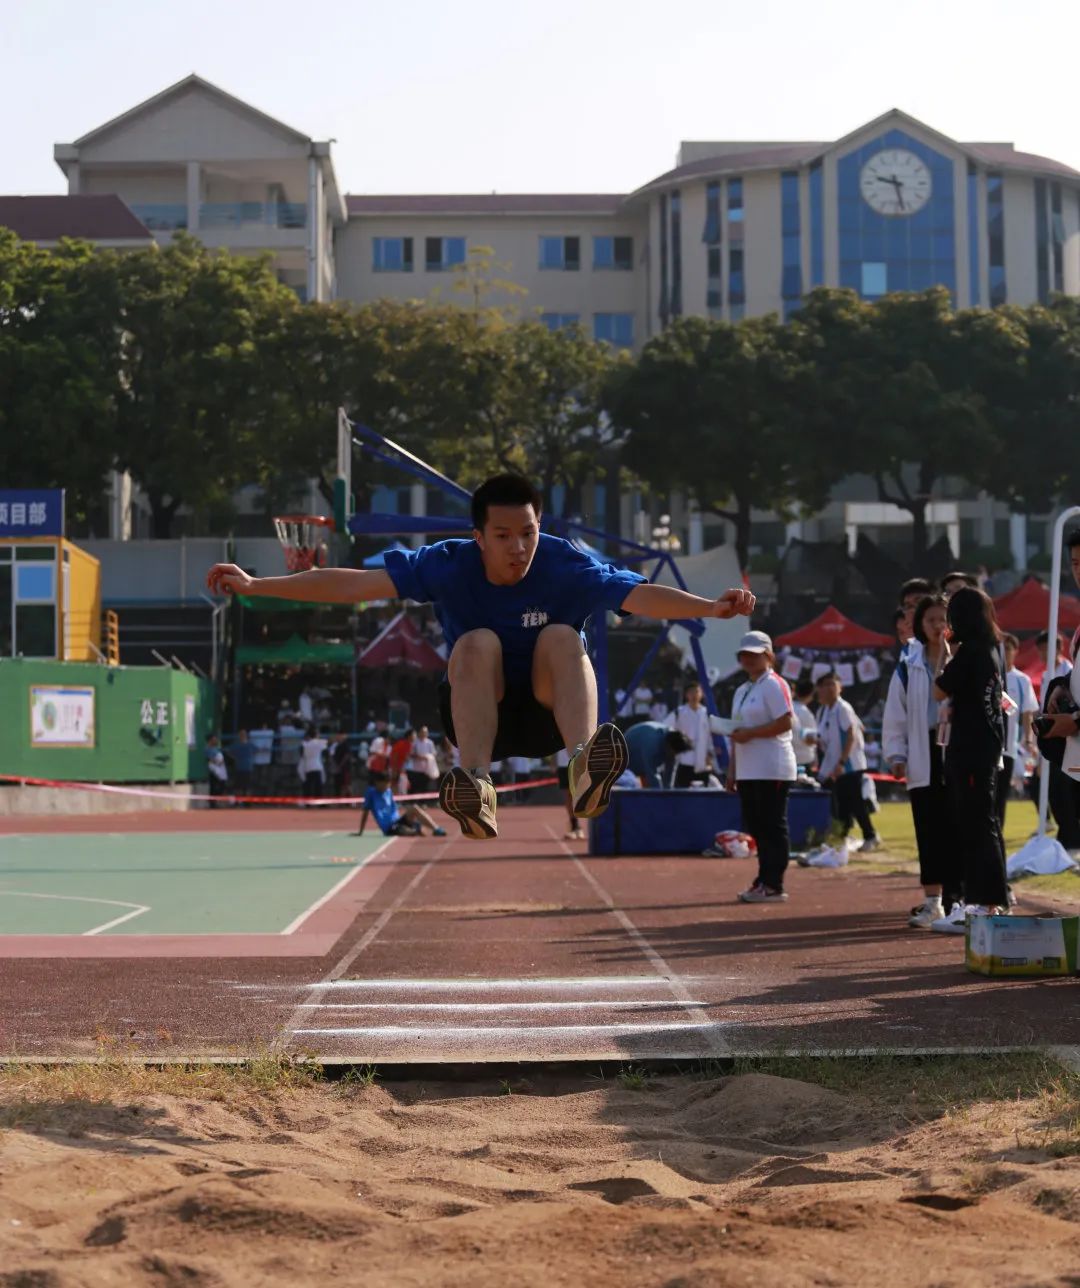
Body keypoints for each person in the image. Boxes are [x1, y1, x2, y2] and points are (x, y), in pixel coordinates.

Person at [206, 473, 754, 839]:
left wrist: (708, 606)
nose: (519, 547)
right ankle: (475, 785)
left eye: (528, 533)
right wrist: (257, 584)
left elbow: (638, 595)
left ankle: (584, 766)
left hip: (548, 712)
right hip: (478, 710)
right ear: (479, 537)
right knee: (476, 641)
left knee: (562, 637)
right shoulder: (448, 564)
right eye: (504, 535)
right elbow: (353, 584)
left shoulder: (567, 564)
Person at [931, 586, 1009, 932]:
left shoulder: (970, 653)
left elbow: (938, 689)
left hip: (971, 750)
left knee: (976, 826)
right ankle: (988, 901)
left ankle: (983, 904)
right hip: (985, 749)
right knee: (983, 824)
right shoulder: (992, 649)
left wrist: (944, 653)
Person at [883, 593, 960, 928]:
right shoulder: (909, 663)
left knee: (956, 824)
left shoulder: (962, 656)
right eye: (931, 620)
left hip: (956, 747)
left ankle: (957, 900)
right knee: (928, 826)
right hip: (922, 747)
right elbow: (895, 712)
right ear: (920, 624)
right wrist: (896, 754)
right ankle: (933, 902)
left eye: (943, 619)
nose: (937, 625)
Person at [727, 631, 797, 903]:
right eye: (744, 654)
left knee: (772, 826)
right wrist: (732, 771)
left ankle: (773, 883)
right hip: (748, 769)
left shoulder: (774, 684)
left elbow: (786, 722)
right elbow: (736, 732)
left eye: (754, 654)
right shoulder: (742, 690)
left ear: (768, 656)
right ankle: (764, 879)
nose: (748, 659)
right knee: (757, 827)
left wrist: (751, 734)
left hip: (772, 766)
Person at [815, 671, 881, 853]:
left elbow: (851, 734)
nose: (828, 688)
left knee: (855, 802)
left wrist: (842, 762)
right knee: (843, 803)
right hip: (835, 764)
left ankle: (870, 836)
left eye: (832, 684)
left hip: (849, 764)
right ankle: (842, 837)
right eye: (824, 685)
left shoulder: (843, 708)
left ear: (840, 687)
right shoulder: (823, 711)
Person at [1000, 633, 1038, 831]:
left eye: (1008, 649)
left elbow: (1027, 713)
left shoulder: (1022, 680)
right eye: (1001, 649)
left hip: (1009, 748)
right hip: (987, 747)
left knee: (1000, 796)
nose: (1004, 653)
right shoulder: (988, 676)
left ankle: (997, 835)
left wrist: (1029, 740)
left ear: (1015, 651)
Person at [357, 771, 447, 838]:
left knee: (414, 808)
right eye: (384, 785)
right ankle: (415, 829)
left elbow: (394, 807)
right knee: (407, 831)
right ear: (377, 783)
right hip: (389, 828)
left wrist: (409, 817)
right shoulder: (370, 793)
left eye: (388, 784)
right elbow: (365, 812)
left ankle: (436, 829)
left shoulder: (388, 791)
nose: (386, 787)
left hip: (398, 821)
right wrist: (361, 831)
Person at [668, 681, 715, 787]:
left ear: (701, 694)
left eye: (697, 692)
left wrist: (710, 754)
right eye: (691, 692)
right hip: (684, 759)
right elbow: (666, 728)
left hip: (703, 760)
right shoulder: (679, 712)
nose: (694, 695)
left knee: (704, 791)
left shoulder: (707, 713)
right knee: (682, 790)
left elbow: (712, 736)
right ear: (686, 695)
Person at [624, 722, 693, 788]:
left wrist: (668, 792)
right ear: (668, 745)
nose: (673, 756)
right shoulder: (652, 744)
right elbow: (652, 775)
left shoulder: (673, 743)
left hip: (643, 752)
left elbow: (670, 775)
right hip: (627, 754)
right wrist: (660, 795)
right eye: (672, 753)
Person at [791, 678, 818, 777]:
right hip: (803, 759)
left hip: (790, 757)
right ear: (811, 695)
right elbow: (810, 738)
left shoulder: (789, 707)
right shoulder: (806, 713)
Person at [298, 726, 329, 799]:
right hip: (317, 766)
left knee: (308, 787)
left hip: (308, 767)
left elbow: (302, 753)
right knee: (318, 787)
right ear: (316, 735)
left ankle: (307, 802)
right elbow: (326, 745)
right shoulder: (318, 742)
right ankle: (319, 802)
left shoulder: (305, 744)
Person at [407, 725, 439, 794]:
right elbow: (411, 754)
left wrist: (428, 757)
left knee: (424, 787)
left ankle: (423, 800)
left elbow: (434, 754)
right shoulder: (414, 742)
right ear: (419, 733)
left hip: (427, 770)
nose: (424, 733)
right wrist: (419, 757)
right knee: (415, 786)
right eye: (422, 732)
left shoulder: (430, 742)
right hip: (416, 769)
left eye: (426, 732)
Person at [205, 734, 229, 807]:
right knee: (214, 786)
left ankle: (215, 801)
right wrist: (217, 762)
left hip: (220, 770)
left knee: (221, 785)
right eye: (213, 740)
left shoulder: (217, 749)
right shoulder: (207, 749)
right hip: (214, 771)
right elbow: (210, 759)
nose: (215, 741)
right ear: (210, 741)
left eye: (215, 739)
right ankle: (212, 803)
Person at [231, 729, 255, 800]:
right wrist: (235, 758)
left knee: (248, 786)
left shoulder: (250, 744)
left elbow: (256, 750)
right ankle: (238, 801)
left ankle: (247, 802)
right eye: (241, 735)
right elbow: (229, 751)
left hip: (248, 768)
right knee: (238, 786)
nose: (243, 736)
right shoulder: (236, 745)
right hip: (239, 768)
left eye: (244, 735)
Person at [330, 731, 354, 798]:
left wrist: (340, 764)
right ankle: (343, 800)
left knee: (347, 784)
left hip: (345, 768)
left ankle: (351, 800)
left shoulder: (346, 744)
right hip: (339, 768)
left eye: (340, 735)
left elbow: (347, 755)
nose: (338, 737)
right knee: (342, 785)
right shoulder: (337, 746)